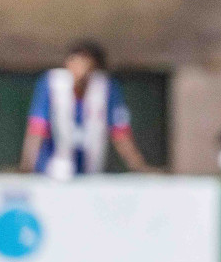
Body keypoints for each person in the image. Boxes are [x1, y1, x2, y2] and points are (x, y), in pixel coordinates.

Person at [20, 41, 154, 177]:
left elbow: (120, 132)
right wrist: (26, 167)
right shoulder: (51, 83)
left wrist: (140, 167)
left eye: (86, 66)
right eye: (76, 63)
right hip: (51, 171)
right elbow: (37, 128)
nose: (80, 71)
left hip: (91, 170)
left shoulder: (107, 87)